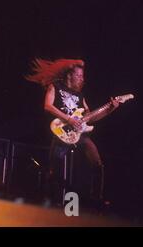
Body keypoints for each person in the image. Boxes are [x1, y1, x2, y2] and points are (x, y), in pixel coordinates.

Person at [26, 58, 119, 208]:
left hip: (80, 134)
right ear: (70, 75)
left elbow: (91, 118)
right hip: (62, 130)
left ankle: (97, 198)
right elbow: (48, 106)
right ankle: (50, 200)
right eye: (79, 76)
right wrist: (68, 119)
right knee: (54, 168)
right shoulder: (55, 87)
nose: (82, 79)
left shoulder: (80, 96)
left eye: (82, 76)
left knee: (97, 162)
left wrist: (111, 108)